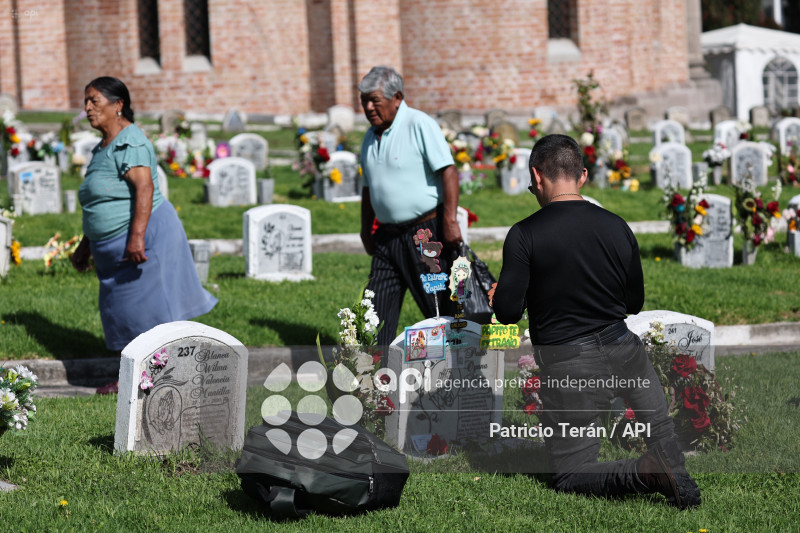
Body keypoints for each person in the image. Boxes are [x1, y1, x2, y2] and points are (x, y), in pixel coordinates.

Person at [488, 134, 700, 509]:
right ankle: (673, 473)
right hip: (625, 348)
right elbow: (634, 303)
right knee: (662, 433)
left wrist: (505, 293)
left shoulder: (524, 234)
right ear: (583, 176)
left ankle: (647, 472)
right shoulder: (617, 226)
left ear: (536, 176)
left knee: (571, 474)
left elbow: (507, 313)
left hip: (571, 363)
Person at [71, 77, 217, 393]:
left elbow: (145, 188)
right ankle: (135, 375)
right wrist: (86, 244)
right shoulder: (104, 146)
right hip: (114, 248)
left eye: (94, 101)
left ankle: (147, 379)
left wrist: (136, 237)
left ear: (118, 105)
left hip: (143, 240)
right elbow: (101, 201)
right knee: (121, 313)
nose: (87, 108)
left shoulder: (131, 141)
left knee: (142, 313)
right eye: (86, 101)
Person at [358, 66, 462, 346]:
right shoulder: (370, 136)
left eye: (374, 100)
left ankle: (457, 364)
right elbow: (368, 187)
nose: (368, 107)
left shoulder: (419, 124)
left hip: (424, 234)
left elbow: (448, 171)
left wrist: (450, 220)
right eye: (364, 101)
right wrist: (365, 230)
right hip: (386, 237)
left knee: (438, 309)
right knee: (374, 312)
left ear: (397, 98)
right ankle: (374, 369)